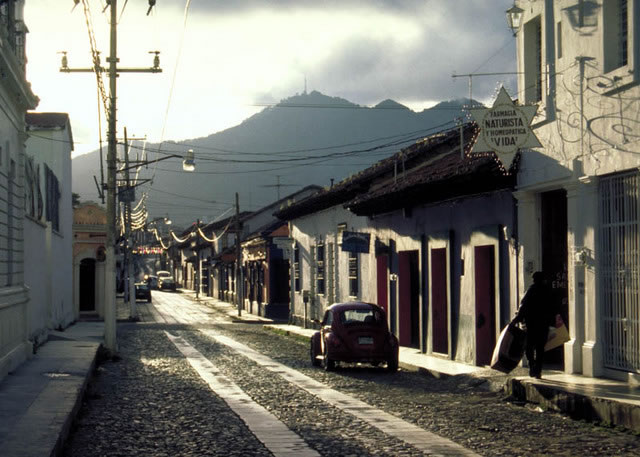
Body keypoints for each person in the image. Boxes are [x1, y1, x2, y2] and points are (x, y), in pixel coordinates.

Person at [515, 271, 556, 379]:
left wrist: (517, 319)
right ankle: (537, 370)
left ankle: (532, 364)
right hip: (543, 324)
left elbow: (523, 306)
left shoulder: (531, 290)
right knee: (540, 348)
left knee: (529, 347)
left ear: (535, 280)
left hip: (532, 324)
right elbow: (553, 307)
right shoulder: (548, 291)